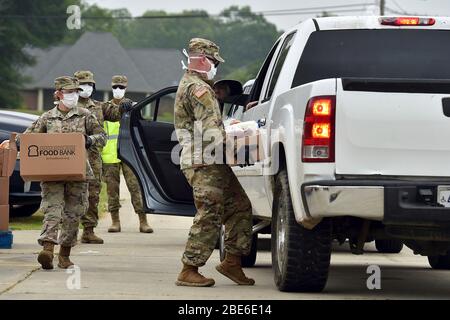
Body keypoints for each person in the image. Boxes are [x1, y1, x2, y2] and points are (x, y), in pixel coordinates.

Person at [174, 38, 255, 287]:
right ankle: (189, 269)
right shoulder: (199, 89)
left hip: (210, 160)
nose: (215, 67)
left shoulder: (192, 85)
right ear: (201, 60)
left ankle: (232, 262)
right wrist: (241, 145)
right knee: (209, 211)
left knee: (240, 206)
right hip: (204, 162)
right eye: (213, 61)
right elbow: (211, 131)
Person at [3, 76, 106, 269]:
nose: (73, 95)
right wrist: (12, 143)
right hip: (52, 174)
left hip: (78, 173)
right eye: (69, 92)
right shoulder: (47, 117)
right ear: (58, 94)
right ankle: (48, 250)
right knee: (52, 210)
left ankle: (65, 254)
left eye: (75, 92)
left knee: (73, 214)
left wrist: (89, 140)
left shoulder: (85, 115)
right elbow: (28, 138)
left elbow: (102, 137)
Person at [73, 70, 124, 244]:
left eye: (89, 84)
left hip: (93, 157)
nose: (86, 88)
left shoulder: (99, 106)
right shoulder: (68, 106)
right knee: (72, 194)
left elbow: (116, 114)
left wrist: (123, 104)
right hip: (71, 157)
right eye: (82, 84)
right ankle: (68, 231)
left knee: (93, 194)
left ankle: (88, 230)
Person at [101, 75, 153, 233]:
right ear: (111, 88)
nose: (118, 90)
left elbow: (141, 128)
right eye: (115, 87)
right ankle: (115, 221)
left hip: (129, 154)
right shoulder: (104, 108)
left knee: (135, 187)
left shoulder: (133, 107)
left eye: (121, 87)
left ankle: (143, 220)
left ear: (126, 88)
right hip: (109, 154)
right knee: (112, 189)